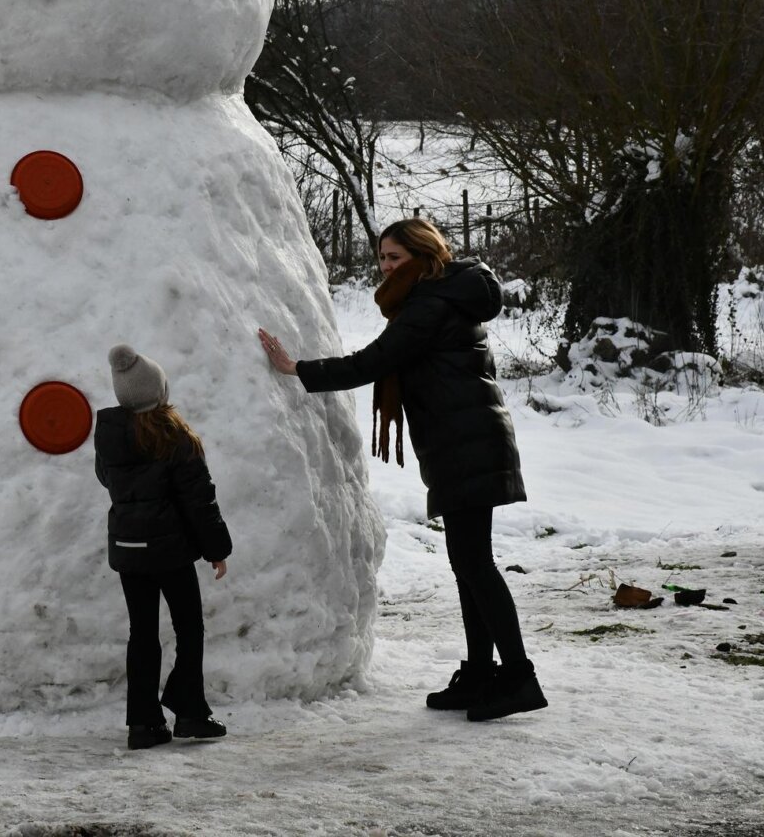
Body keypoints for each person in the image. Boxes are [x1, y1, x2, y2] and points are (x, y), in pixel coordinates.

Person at [256, 218, 546, 722]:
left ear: (423, 253)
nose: (386, 267)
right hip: (463, 440)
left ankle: (518, 677)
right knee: (468, 564)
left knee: (475, 563)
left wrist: (296, 369)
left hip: (466, 442)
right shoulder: (443, 292)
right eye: (382, 259)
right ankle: (481, 673)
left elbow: (372, 362)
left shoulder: (430, 303)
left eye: (395, 257)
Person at [94, 344, 233, 749]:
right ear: (159, 391)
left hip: (128, 549)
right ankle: (189, 711)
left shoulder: (109, 436)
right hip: (170, 552)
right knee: (189, 627)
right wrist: (216, 549)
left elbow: (108, 481)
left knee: (142, 633)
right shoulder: (176, 438)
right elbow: (199, 500)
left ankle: (143, 724)